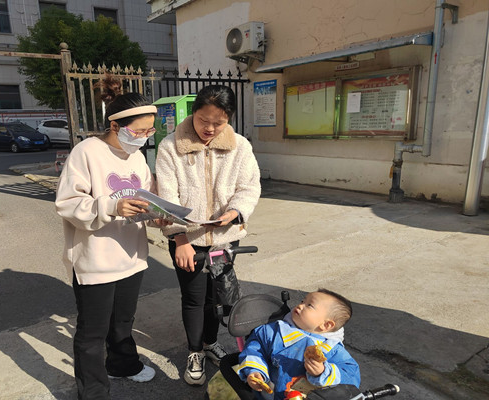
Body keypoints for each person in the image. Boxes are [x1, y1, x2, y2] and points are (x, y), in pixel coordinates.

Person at [55, 79, 165, 400]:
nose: (144, 137)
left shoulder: (137, 158)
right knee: (93, 332)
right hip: (95, 258)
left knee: (123, 322)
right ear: (115, 126)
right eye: (139, 131)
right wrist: (111, 206)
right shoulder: (87, 152)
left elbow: (144, 199)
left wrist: (157, 214)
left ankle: (122, 364)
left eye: (149, 131)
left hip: (131, 255)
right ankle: (93, 392)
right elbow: (67, 204)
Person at [156, 84, 261, 386]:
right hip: (188, 240)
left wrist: (235, 212)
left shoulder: (240, 146)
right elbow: (167, 196)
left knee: (217, 297)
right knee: (193, 298)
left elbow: (249, 186)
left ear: (229, 118)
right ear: (193, 113)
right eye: (204, 120)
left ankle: (210, 343)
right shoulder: (171, 146)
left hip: (224, 238)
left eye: (219, 122)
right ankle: (194, 352)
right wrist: (179, 238)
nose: (210, 128)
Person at [228, 289, 360, 400]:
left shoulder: (331, 348)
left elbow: (351, 377)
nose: (300, 305)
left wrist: (324, 372)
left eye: (309, 305)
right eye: (303, 301)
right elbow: (254, 349)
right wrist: (255, 371)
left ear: (326, 325)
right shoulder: (274, 332)